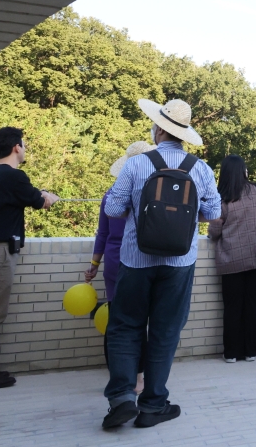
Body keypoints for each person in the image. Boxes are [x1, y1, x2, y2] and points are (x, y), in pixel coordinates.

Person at [101, 99, 221, 430]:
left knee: (125, 326)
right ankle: (153, 406)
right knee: (165, 331)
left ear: (158, 130)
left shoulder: (137, 164)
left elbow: (113, 209)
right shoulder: (201, 169)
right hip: (180, 261)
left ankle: (122, 398)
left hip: (135, 259)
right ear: (184, 134)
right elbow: (213, 213)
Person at [0, 127, 59, 389]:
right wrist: (50, 196)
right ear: (17, 147)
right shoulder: (14, 176)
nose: (25, 149)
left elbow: (26, 195)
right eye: (24, 145)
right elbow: (41, 202)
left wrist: (39, 193)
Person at [85, 140, 154, 393]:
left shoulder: (111, 194)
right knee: (138, 321)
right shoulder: (147, 194)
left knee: (115, 321)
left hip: (113, 262)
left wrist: (94, 264)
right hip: (138, 260)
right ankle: (138, 378)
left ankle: (116, 375)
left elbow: (102, 234)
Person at [207, 155, 256, 364]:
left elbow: (214, 232)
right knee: (254, 305)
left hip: (231, 259)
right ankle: (250, 351)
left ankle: (231, 353)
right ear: (244, 171)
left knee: (232, 307)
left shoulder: (222, 198)